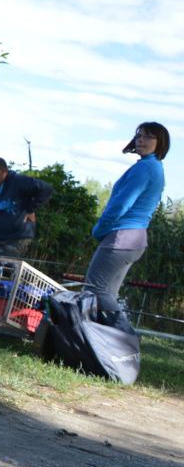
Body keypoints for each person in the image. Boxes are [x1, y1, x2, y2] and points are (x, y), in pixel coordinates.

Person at [83, 122, 168, 319]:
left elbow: (121, 205)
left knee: (94, 287)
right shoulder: (155, 167)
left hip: (121, 238)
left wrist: (99, 229)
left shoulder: (145, 168)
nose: (140, 139)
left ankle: (125, 333)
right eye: (139, 135)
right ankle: (110, 341)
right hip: (136, 240)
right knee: (108, 292)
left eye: (148, 136)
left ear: (160, 142)